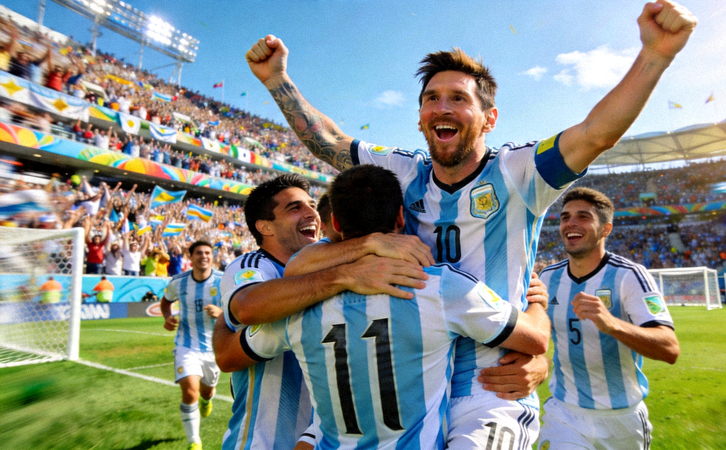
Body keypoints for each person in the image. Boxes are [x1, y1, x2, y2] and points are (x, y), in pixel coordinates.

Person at [245, 1, 696, 445]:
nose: (442, 107)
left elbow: (596, 133)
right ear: (420, 118)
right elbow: (328, 142)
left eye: (458, 98)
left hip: (491, 384)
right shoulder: (404, 170)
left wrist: (656, 54)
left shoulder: (518, 172)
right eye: (431, 99)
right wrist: (277, 79)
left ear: (488, 119)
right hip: (415, 378)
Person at [232, 164, 549, 448]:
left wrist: (222, 325)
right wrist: (537, 303)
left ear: (336, 223)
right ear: (400, 216)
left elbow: (228, 354)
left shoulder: (297, 306)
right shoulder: (439, 287)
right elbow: (535, 338)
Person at [213, 174, 432, 450]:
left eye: (312, 205)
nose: (312, 214)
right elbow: (246, 308)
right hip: (265, 441)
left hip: (324, 435)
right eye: (295, 208)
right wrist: (344, 275)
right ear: (265, 227)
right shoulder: (256, 265)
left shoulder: (333, 259)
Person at [537, 187, 680, 450]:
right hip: (564, 413)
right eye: (565, 217)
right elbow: (537, 337)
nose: (570, 223)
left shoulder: (630, 275)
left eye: (583, 216)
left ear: (606, 229)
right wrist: (539, 363)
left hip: (621, 419)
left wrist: (612, 324)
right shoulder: (548, 277)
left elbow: (669, 348)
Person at [160, 241, 224, 450]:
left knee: (206, 392)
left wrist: (221, 313)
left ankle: (207, 400)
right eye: (199, 253)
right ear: (190, 257)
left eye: (207, 252)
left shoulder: (223, 280)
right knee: (190, 392)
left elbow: (238, 306)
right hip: (186, 345)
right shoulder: (178, 282)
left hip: (214, 347)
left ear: (212, 256)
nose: (203, 256)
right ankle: (194, 442)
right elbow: (166, 302)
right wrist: (167, 317)